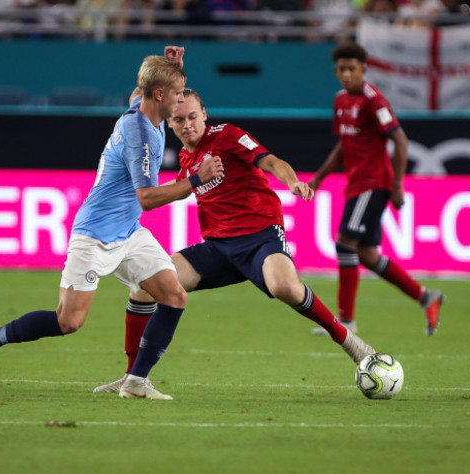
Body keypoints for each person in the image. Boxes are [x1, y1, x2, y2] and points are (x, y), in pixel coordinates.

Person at [0, 46, 225, 400]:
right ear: (159, 95)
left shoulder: (143, 106)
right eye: (177, 94)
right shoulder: (141, 134)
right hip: (95, 236)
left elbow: (141, 89)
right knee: (69, 322)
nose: (181, 102)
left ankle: (135, 381)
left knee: (174, 295)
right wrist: (196, 179)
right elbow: (146, 198)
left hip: (128, 232)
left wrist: (172, 69)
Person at [94, 88, 378, 395]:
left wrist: (293, 181)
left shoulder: (227, 135)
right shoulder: (188, 159)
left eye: (193, 116)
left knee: (285, 287)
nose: (188, 124)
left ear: (204, 114)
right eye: (179, 120)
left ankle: (350, 342)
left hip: (261, 238)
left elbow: (270, 161)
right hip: (218, 249)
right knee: (144, 286)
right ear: (171, 124)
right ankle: (134, 379)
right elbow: (142, 105)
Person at [308, 42, 443, 338]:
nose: (346, 74)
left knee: (345, 242)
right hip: (356, 184)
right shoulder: (340, 100)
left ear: (363, 70)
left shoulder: (373, 101)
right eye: (341, 69)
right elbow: (342, 147)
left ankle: (346, 321)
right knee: (366, 254)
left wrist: (397, 185)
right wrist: (318, 179)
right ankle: (425, 296)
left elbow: (401, 140)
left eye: (351, 69)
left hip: (374, 182)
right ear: (336, 71)